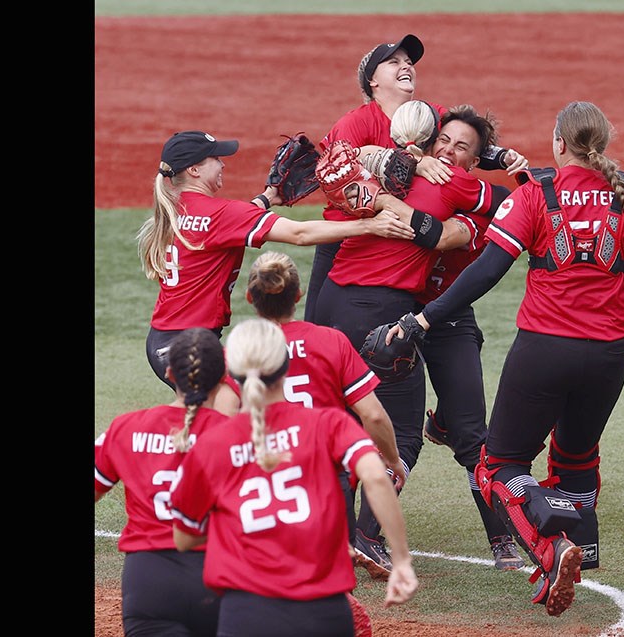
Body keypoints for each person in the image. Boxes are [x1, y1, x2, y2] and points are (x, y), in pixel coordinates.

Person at [387, 101, 624, 617]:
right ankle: (582, 545)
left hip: (544, 349)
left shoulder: (537, 195)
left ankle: (553, 552)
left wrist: (424, 319)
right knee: (576, 457)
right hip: (609, 355)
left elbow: (483, 274)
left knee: (500, 464)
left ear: (558, 143)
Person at [313, 101, 525, 576]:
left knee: (459, 430)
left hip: (428, 315)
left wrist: (386, 194)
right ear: (425, 146)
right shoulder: (421, 174)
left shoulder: (391, 175)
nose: (449, 151)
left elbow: (441, 234)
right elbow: (444, 227)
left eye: (463, 147)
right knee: (402, 435)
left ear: (477, 158)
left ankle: (498, 537)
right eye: (442, 142)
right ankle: (364, 536)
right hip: (386, 311)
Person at [169, 318, 418, 637]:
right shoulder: (328, 424)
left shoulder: (212, 444)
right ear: (285, 367)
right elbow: (376, 477)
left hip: (245, 614)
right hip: (323, 611)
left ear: (230, 373)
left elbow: (184, 538)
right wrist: (400, 560)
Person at [137, 129, 414, 397]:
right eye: (215, 159)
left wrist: (268, 198)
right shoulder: (219, 214)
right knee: (241, 410)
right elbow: (300, 234)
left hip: (167, 340)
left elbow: (228, 223)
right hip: (188, 346)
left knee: (226, 413)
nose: (222, 164)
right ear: (194, 170)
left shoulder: (177, 209)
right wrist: (369, 225)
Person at [303, 34, 521, 324]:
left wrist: (503, 156)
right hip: (346, 238)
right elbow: (336, 178)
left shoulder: (429, 114)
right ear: (373, 81)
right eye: (393, 62)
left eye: (408, 61)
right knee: (317, 325)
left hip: (406, 244)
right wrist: (411, 161)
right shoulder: (355, 123)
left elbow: (467, 139)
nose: (405, 65)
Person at [245, 249, 405, 579]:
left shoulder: (241, 348)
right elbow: (372, 415)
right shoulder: (330, 341)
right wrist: (391, 460)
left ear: (250, 298)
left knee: (269, 578)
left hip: (266, 481)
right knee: (333, 586)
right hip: (326, 481)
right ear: (298, 295)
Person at [94, 328, 232, 636]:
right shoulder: (240, 438)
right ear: (223, 378)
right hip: (219, 580)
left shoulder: (125, 428)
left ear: (169, 373)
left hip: (148, 583)